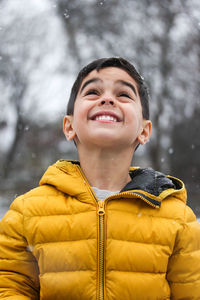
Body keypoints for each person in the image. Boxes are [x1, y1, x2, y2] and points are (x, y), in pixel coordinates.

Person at [0, 57, 199, 300]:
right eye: (93, 91)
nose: (107, 99)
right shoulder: (26, 212)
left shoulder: (177, 219)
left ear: (144, 131)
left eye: (124, 94)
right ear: (69, 126)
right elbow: (9, 288)